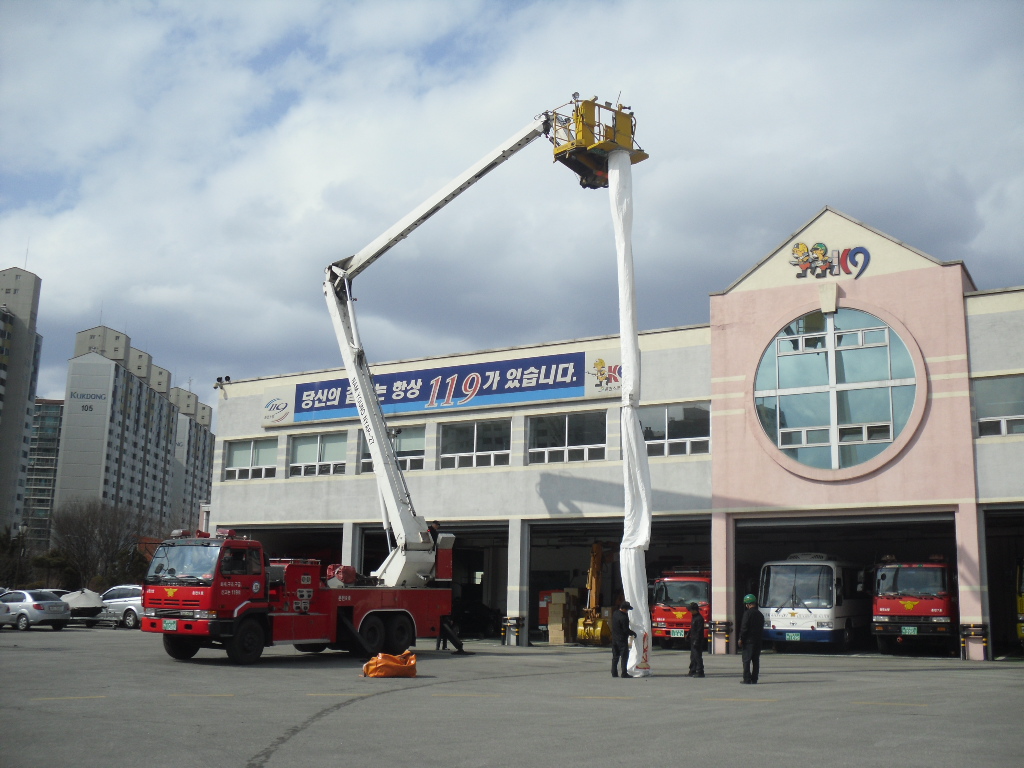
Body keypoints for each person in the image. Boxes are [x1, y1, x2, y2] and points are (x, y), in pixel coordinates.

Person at [738, 593, 765, 684]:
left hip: (748, 641)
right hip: (758, 641)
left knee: (746, 660)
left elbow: (744, 628)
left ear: (748, 604)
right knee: (756, 660)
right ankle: (754, 678)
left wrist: (741, 638)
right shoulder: (760, 615)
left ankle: (747, 678)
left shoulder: (747, 614)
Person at [611, 601, 637, 678]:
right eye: (627, 609)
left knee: (615, 656)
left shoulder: (615, 613)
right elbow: (625, 630)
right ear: (624, 609)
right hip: (622, 639)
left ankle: (614, 672)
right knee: (624, 656)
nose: (627, 611)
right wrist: (633, 633)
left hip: (614, 638)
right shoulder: (624, 618)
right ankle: (624, 673)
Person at [686, 601, 705, 678]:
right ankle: (692, 670)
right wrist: (688, 634)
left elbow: (699, 631)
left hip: (697, 640)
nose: (690, 611)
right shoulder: (694, 617)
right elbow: (692, 628)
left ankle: (700, 671)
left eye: (691, 610)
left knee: (697, 656)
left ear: (695, 610)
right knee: (693, 656)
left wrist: (696, 641)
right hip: (693, 639)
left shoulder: (699, 618)